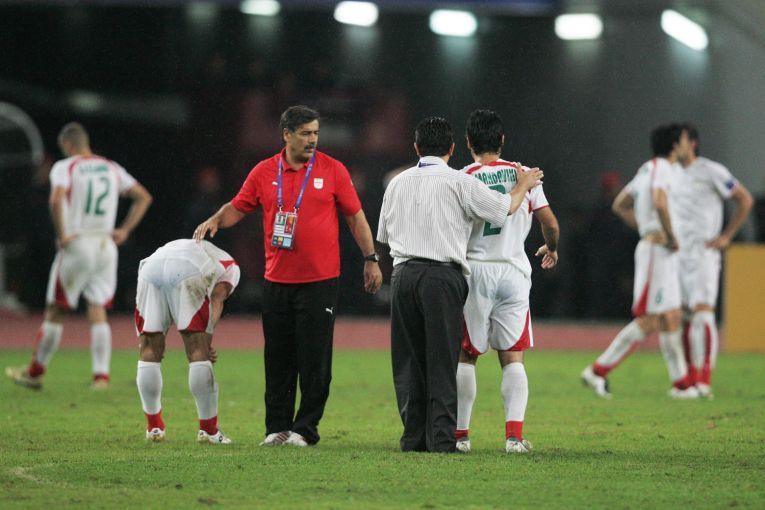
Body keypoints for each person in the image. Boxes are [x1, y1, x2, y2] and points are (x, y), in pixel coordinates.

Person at [194, 105, 382, 447]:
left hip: (320, 281)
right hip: (277, 280)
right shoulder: (264, 171)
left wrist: (371, 259)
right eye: (306, 133)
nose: (313, 139)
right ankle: (277, 427)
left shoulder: (333, 169)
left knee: (314, 360)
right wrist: (216, 220)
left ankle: (305, 429)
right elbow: (238, 206)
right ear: (286, 135)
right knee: (278, 358)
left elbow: (356, 218)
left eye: (315, 133)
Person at [377, 116, 543, 453]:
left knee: (408, 361)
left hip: (403, 274)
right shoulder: (460, 181)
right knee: (444, 359)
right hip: (442, 275)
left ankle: (413, 438)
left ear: (416, 147)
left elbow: (384, 234)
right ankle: (444, 439)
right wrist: (522, 185)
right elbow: (503, 209)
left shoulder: (397, 182)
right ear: (452, 148)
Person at [6, 122, 152, 390]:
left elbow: (56, 199)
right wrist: (125, 230)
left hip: (78, 242)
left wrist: (62, 233)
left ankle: (35, 372)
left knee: (56, 309)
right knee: (97, 309)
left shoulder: (66, 166)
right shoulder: (111, 167)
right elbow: (143, 197)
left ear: (68, 145)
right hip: (105, 245)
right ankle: (101, 377)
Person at [455, 110, 560, 454]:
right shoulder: (524, 174)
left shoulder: (463, 177)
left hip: (475, 270)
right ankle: (514, 438)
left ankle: (461, 437)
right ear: (502, 139)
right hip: (514, 272)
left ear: (468, 142)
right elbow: (550, 224)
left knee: (466, 355)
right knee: (513, 356)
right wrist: (551, 248)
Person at [581, 124, 696, 399]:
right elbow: (659, 202)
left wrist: (644, 227)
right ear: (674, 145)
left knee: (671, 317)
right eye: (684, 140)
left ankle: (681, 385)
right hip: (657, 252)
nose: (687, 145)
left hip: (659, 251)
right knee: (649, 319)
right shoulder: (663, 169)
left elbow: (620, 203)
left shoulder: (647, 169)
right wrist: (667, 235)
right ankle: (597, 371)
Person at [672, 123, 753, 398]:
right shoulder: (671, 173)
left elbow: (744, 199)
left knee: (703, 313)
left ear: (693, 143)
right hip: (677, 254)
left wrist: (727, 235)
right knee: (682, 318)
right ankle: (689, 379)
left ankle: (704, 380)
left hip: (704, 253)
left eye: (681, 140)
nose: (676, 145)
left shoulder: (711, 170)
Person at [135, 239, 239, 444]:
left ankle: (154, 427)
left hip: (150, 267)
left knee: (149, 349)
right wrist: (207, 342)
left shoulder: (197, 247)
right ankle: (208, 431)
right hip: (187, 269)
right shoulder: (232, 267)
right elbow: (217, 299)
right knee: (197, 350)